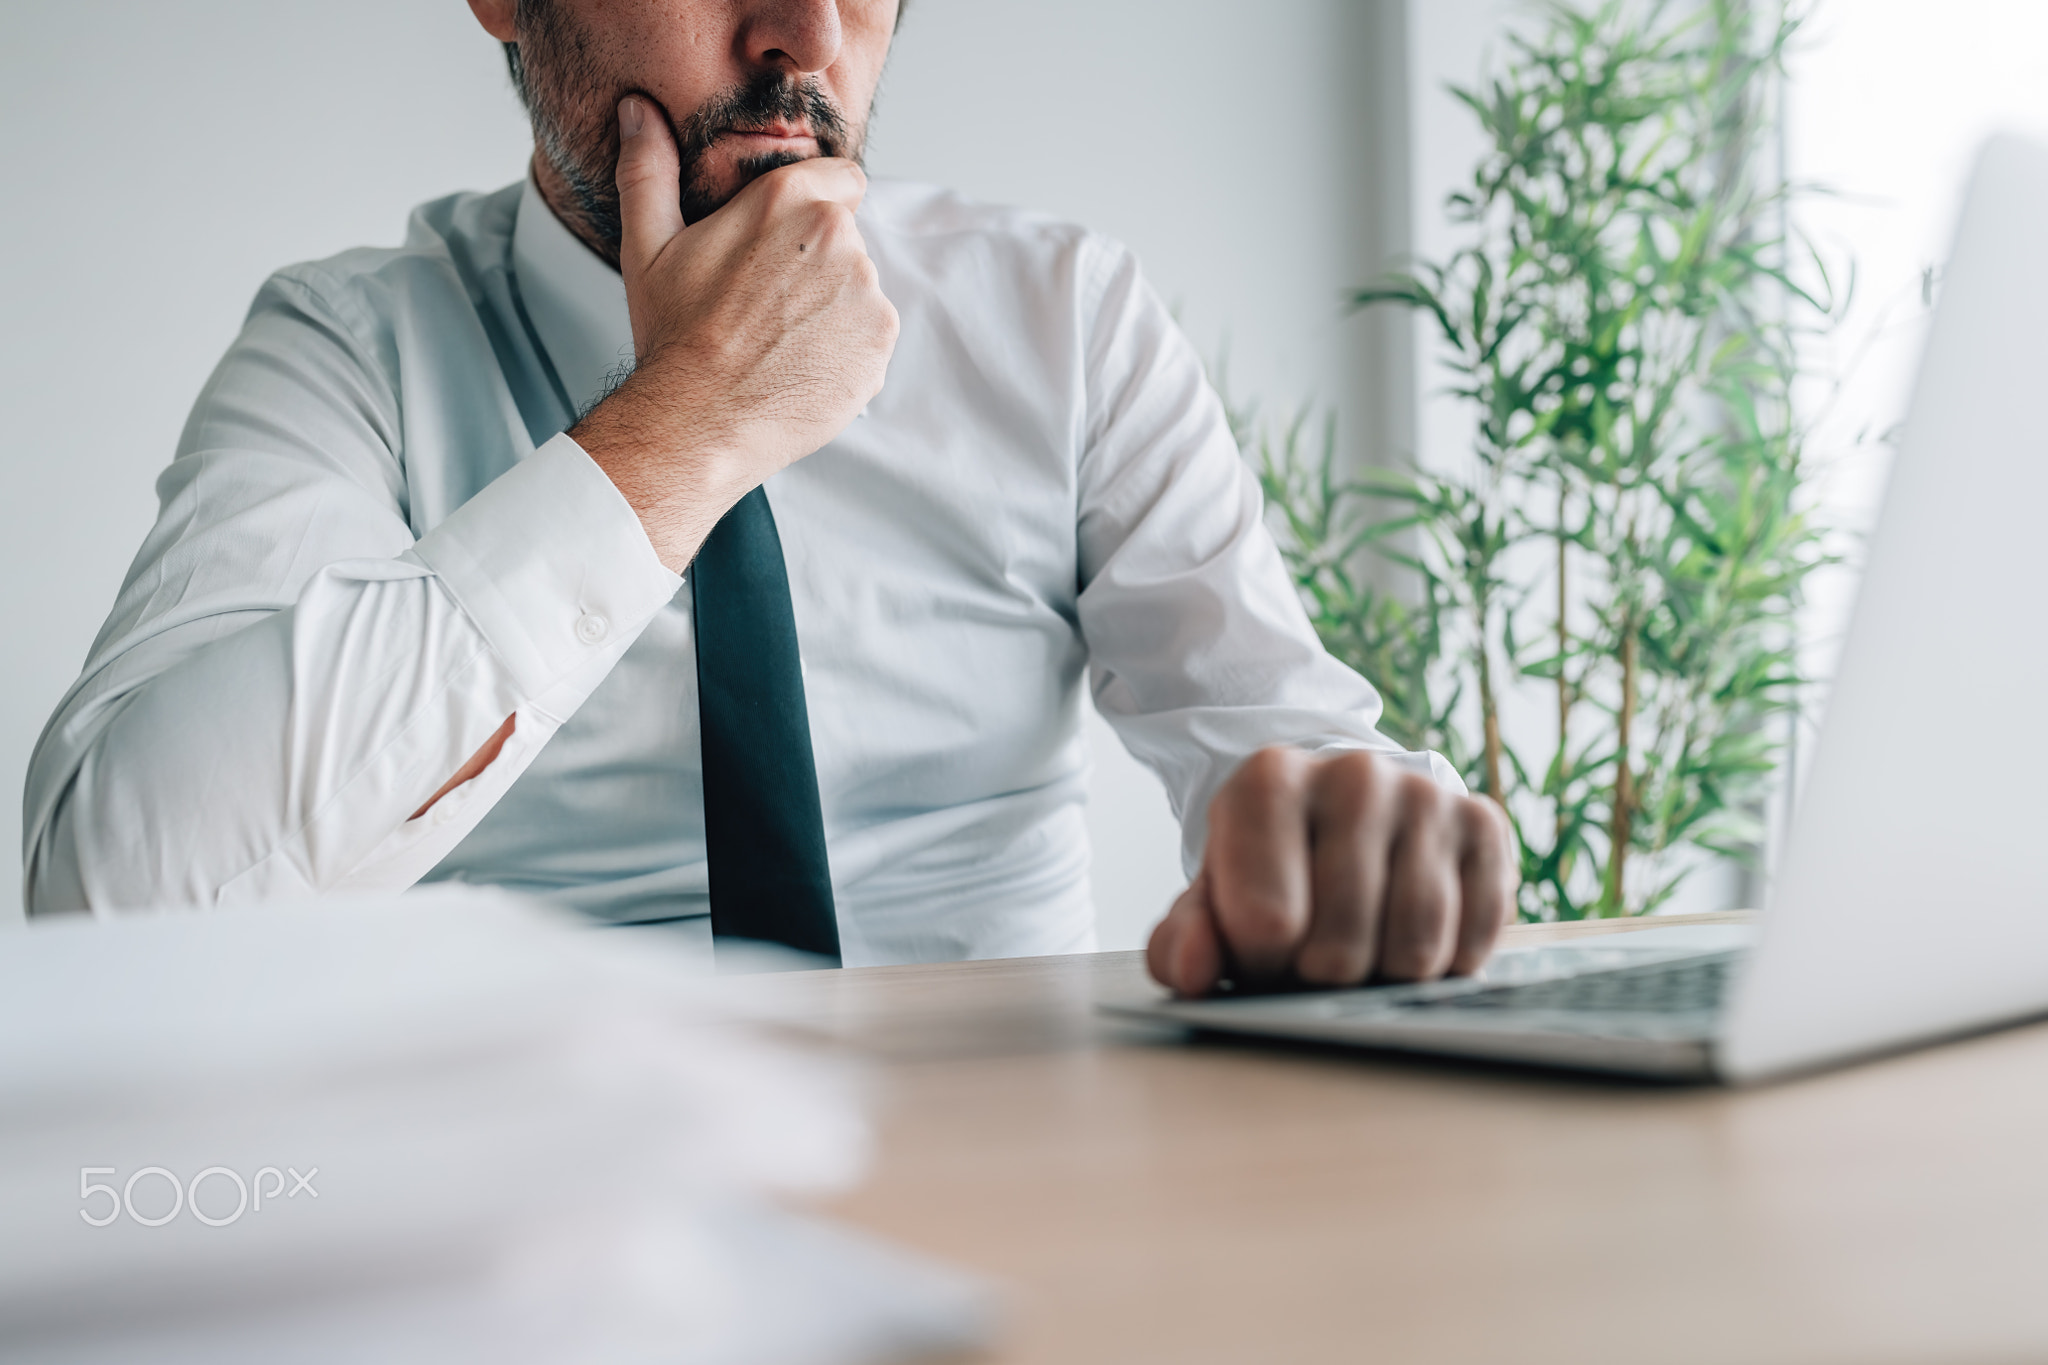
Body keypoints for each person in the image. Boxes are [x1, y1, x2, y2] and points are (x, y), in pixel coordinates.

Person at [22, 0, 1514, 993]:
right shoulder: (351, 349)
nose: (802, 30)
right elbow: (122, 903)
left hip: (1019, 1173)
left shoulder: (1063, 314)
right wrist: (683, 430)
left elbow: (1294, 749)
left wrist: (1347, 838)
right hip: (536, 1227)